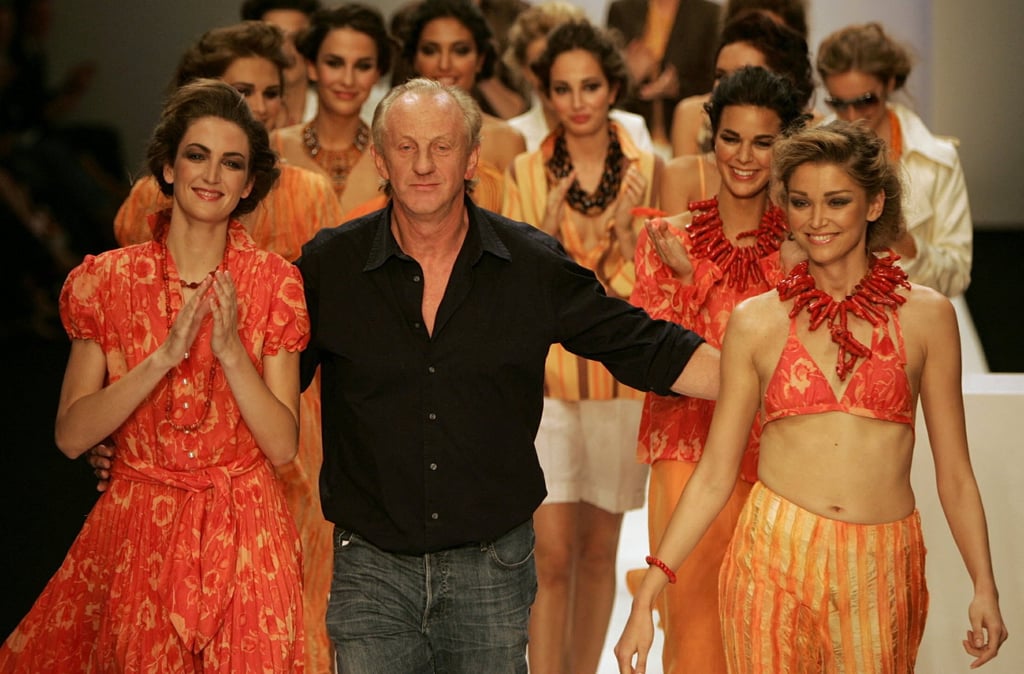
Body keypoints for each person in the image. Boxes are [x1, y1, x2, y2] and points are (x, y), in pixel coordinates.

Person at [295, 77, 720, 672]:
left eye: (442, 147)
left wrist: (758, 380)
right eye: (406, 147)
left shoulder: (529, 265)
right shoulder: (328, 266)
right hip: (371, 568)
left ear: (471, 158)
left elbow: (638, 341)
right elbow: (269, 378)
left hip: (490, 569)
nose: (423, 164)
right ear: (380, 158)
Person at [615, 120, 1008, 673]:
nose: (817, 221)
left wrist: (984, 584)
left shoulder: (928, 318)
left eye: (836, 201)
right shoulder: (757, 321)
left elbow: (955, 473)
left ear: (874, 205)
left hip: (881, 561)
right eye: (801, 202)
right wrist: (649, 589)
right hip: (770, 556)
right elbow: (715, 471)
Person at [0, 79, 309, 672]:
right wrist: (163, 358)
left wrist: (231, 353)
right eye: (197, 155)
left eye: (232, 163)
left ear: (248, 186)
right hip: (138, 528)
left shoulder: (274, 283)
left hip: (246, 529)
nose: (211, 174)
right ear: (167, 168)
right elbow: (70, 436)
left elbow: (283, 443)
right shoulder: (108, 282)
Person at [100, 20, 341, 674]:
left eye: (272, 90)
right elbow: (119, 328)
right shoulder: (149, 201)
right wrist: (114, 433)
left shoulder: (310, 192)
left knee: (295, 610)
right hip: (167, 448)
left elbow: (322, 325)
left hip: (283, 422)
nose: (261, 105)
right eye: (243, 89)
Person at [626, 65, 805, 674]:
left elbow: (790, 362)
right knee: (695, 640)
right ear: (712, 139)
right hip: (687, 450)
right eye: (732, 138)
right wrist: (685, 279)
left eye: (763, 140)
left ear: (786, 145)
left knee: (775, 639)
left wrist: (692, 282)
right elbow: (651, 358)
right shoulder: (665, 238)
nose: (745, 156)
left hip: (783, 460)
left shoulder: (806, 248)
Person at [502, 19, 660, 673]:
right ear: (545, 93)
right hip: (547, 383)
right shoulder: (525, 169)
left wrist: (624, 246)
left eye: (590, 85)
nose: (577, 100)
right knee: (552, 555)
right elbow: (512, 289)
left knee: (600, 552)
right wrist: (539, 234)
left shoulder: (650, 171)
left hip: (622, 383)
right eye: (562, 88)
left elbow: (658, 291)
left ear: (612, 86)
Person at [817, 22, 971, 298]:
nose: (852, 115)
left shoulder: (937, 161)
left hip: (914, 321)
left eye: (865, 101)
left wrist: (904, 241)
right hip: (829, 315)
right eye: (838, 103)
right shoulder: (812, 152)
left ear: (889, 84)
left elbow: (957, 276)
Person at [394, 0, 526, 211]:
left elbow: (521, 233)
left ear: (480, 60)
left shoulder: (508, 140)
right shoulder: (391, 135)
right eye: (430, 50)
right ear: (414, 59)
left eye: (460, 51)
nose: (445, 64)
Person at [503, 2, 653, 154]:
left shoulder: (631, 130)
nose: (553, 75)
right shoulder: (510, 137)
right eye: (541, 66)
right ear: (524, 70)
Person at [669, 8, 813, 158]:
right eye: (720, 76)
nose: (727, 86)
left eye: (743, 75)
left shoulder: (814, 131)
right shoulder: (691, 114)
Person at [605, 0, 721, 148]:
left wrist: (677, 88)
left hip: (686, 136)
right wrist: (630, 75)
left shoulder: (709, 14)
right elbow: (607, 81)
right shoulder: (621, 10)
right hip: (630, 136)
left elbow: (714, 82)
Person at [241, 0, 323, 128]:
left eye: (296, 39)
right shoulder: (237, 114)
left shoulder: (344, 113)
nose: (286, 52)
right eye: (275, 39)